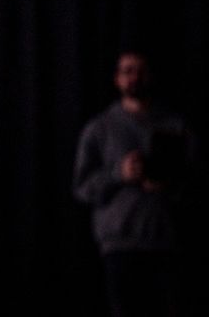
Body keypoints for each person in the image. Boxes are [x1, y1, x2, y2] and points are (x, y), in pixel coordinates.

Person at [72, 49, 200, 317]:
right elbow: (82, 187)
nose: (134, 77)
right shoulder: (100, 128)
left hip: (166, 242)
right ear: (117, 79)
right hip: (119, 246)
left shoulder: (176, 126)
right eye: (127, 71)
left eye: (140, 70)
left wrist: (170, 186)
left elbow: (196, 182)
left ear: (151, 76)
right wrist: (120, 173)